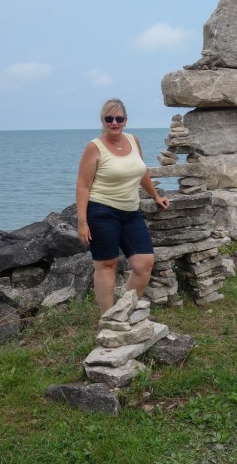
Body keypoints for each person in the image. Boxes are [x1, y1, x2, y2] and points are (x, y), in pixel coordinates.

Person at [75, 98, 169, 316]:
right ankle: (107, 319)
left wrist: (155, 195)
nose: (114, 123)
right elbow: (82, 186)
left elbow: (141, 172)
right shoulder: (94, 147)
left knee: (144, 263)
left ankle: (123, 312)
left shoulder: (133, 140)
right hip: (101, 212)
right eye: (109, 118)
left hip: (131, 212)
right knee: (107, 265)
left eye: (119, 118)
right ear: (103, 121)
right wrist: (82, 222)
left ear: (126, 120)